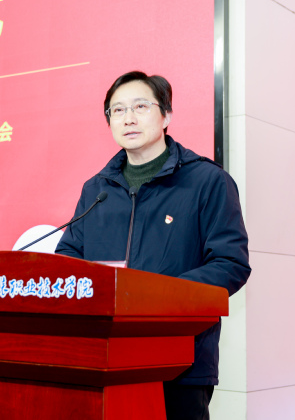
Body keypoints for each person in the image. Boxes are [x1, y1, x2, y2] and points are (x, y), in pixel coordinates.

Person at [55, 71, 250, 420]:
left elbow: (230, 263)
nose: (128, 118)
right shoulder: (96, 189)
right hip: (103, 358)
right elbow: (68, 256)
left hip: (179, 362)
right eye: (117, 110)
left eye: (140, 107)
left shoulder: (208, 181)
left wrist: (157, 296)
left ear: (166, 115)